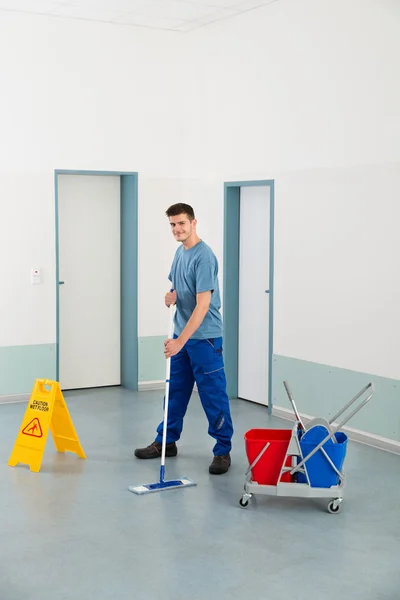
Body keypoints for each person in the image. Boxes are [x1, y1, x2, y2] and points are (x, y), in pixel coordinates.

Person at [134, 203, 234, 474]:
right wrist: (172, 294)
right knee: (174, 392)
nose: (177, 229)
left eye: (181, 224)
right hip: (181, 335)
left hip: (205, 339)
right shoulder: (180, 253)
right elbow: (178, 286)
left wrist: (180, 342)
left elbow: (203, 305)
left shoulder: (205, 257)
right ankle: (166, 441)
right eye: (173, 225)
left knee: (212, 395)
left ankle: (223, 449)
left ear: (193, 223)